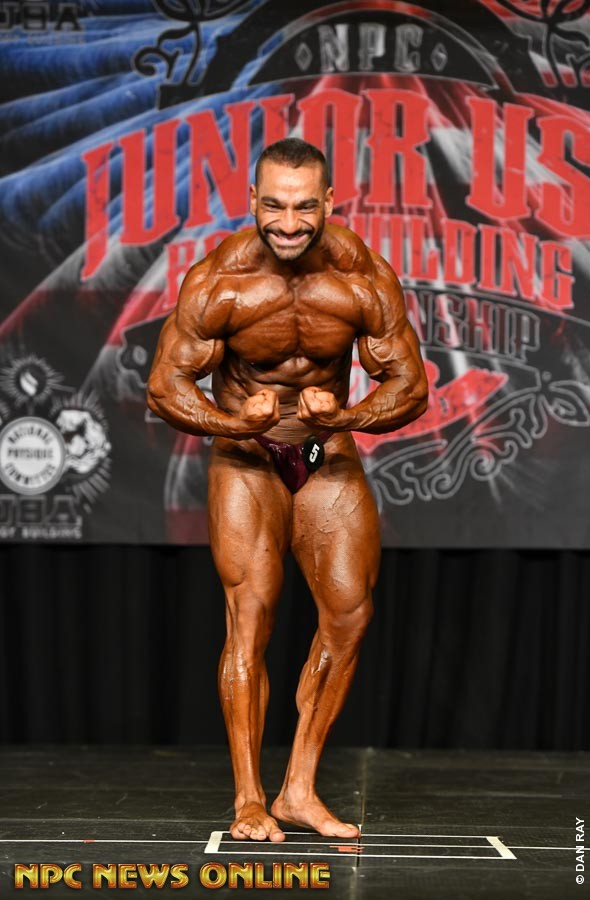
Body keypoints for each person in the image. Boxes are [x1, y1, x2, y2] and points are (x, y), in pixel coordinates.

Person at [147, 138, 428, 842]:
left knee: (350, 615)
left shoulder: (362, 276)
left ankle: (299, 787)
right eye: (274, 205)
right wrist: (230, 421)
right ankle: (249, 798)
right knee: (251, 616)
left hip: (325, 446)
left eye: (305, 206)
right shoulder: (220, 281)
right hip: (246, 455)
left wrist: (349, 416)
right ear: (253, 200)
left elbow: (411, 386)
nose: (289, 222)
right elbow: (164, 387)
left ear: (329, 201)